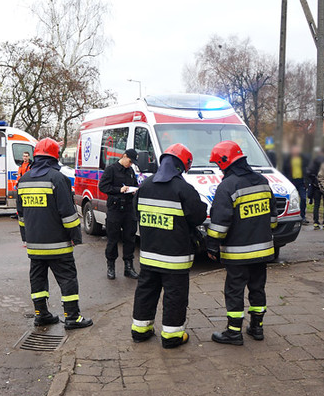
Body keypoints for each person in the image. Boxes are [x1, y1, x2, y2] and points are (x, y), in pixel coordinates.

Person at [131, 144, 207, 349]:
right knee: (175, 295)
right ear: (181, 166)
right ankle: (172, 336)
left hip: (148, 255)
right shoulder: (183, 188)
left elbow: (136, 214)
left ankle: (140, 330)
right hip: (175, 257)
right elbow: (198, 216)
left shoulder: (145, 186)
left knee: (146, 291)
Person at [16, 138, 92, 330]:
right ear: (55, 156)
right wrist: (75, 237)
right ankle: (72, 317)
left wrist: (26, 238)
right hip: (58, 244)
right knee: (67, 279)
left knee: (37, 278)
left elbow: (21, 215)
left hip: (34, 244)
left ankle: (41, 314)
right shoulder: (58, 179)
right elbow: (68, 214)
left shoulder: (24, 180)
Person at [207, 141, 278, 346]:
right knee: (258, 287)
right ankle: (257, 328)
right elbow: (272, 218)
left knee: (234, 290)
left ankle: (233, 332)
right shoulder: (263, 181)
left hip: (237, 253)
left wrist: (212, 244)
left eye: (219, 164)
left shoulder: (227, 186)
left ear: (225, 161)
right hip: (263, 249)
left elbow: (220, 223)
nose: (219, 169)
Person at [99, 149, 140, 280]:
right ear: (124, 156)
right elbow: (103, 186)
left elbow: (135, 184)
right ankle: (111, 266)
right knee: (113, 239)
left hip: (128, 208)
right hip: (115, 208)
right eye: (130, 161)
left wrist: (134, 190)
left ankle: (128, 267)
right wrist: (119, 190)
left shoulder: (130, 171)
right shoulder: (111, 169)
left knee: (130, 238)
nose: (131, 164)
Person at [282, 145, 310, 224]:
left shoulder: (303, 159)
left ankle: (302, 216)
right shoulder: (287, 159)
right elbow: (284, 170)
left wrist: (307, 181)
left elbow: (307, 170)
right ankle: (291, 216)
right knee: (292, 199)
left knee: (303, 199)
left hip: (301, 182)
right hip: (291, 182)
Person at [307, 148, 324, 230]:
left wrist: (314, 181)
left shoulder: (315, 161)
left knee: (316, 205)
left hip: (316, 186)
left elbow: (309, 172)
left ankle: (316, 222)